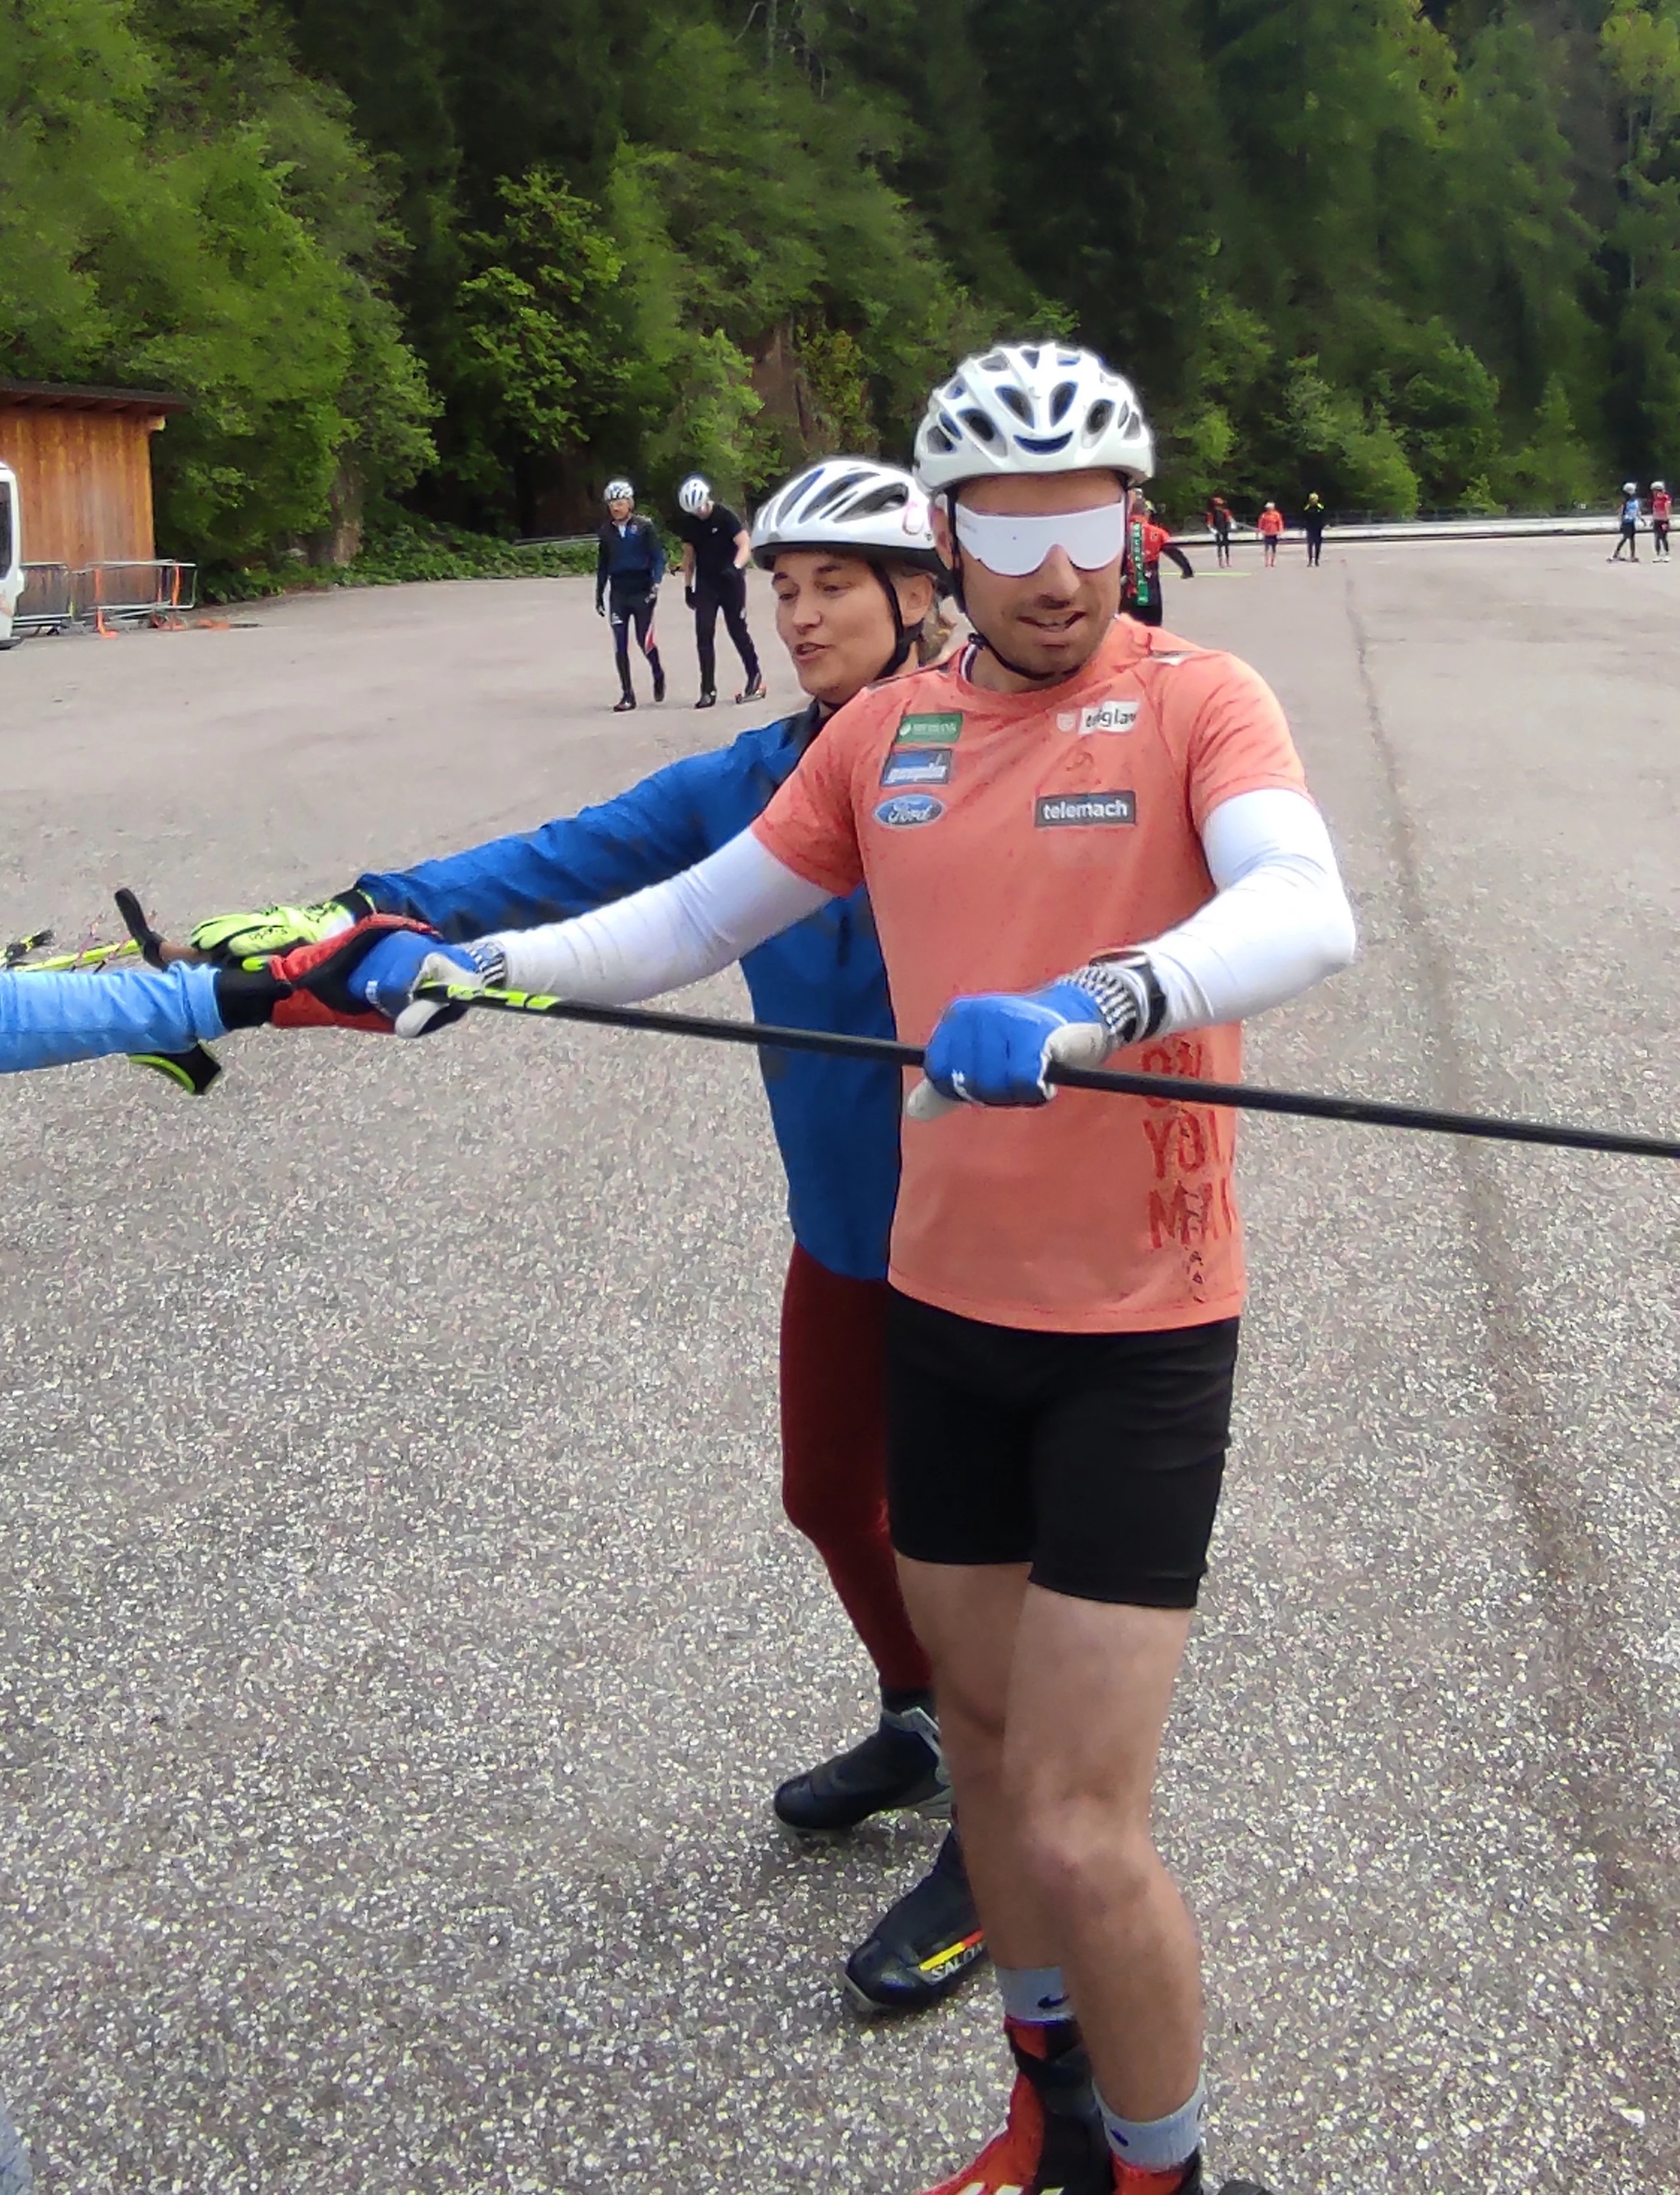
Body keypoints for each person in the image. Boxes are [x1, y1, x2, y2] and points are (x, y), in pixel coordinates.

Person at [368, 341, 1356, 2195]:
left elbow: (1305, 907)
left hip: (1139, 1335)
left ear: (1134, 524)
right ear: (952, 537)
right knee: (983, 1758)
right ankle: (1050, 2130)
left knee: (1077, 1827)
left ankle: (1165, 2174)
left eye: (1092, 520)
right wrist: (457, 972)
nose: (1058, 567)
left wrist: (1096, 1001)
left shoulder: (1203, 697)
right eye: (1012, 522)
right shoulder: (881, 741)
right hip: (945, 1322)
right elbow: (680, 919)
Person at [179, 459, 985, 2018]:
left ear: (918, 594)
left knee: (973, 1548)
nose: (798, 613)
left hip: (982, 1242)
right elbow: (570, 858)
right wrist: (354, 912)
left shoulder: (986, 758)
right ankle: (930, 1724)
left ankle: (1007, 1845)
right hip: (843, 1231)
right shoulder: (755, 774)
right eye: (781, 587)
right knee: (830, 1497)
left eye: (833, 584)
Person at [673, 474, 766, 708]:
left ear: (707, 499)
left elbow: (745, 544)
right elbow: (689, 556)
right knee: (704, 634)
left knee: (737, 630)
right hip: (707, 583)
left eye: (702, 507)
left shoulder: (725, 516)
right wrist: (688, 586)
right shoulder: (691, 523)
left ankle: (754, 674)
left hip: (730, 580)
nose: (701, 512)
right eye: (695, 510)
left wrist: (736, 567)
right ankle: (707, 689)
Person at [594, 480, 667, 710]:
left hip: (642, 589)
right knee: (620, 643)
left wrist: (656, 584)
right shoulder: (606, 532)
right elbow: (603, 564)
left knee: (643, 641)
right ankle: (628, 694)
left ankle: (657, 672)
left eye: (620, 502)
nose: (615, 508)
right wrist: (599, 593)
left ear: (630, 503)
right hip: (619, 592)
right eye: (611, 504)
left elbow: (657, 557)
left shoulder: (644, 527)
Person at [1121, 502, 1193, 628]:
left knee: (1128, 630)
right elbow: (1174, 552)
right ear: (1146, 513)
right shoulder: (1157, 533)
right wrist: (1187, 570)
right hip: (1150, 588)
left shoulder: (1120, 533)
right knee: (1152, 629)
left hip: (1127, 589)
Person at [1610, 481, 1642, 562]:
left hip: (1632, 521)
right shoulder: (1626, 503)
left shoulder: (1634, 501)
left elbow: (1637, 511)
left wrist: (1641, 519)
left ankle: (1632, 555)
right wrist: (1621, 522)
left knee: (1632, 539)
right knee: (1626, 537)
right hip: (1627, 522)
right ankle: (1616, 554)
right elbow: (1621, 513)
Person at [1203, 496, 1233, 570]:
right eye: (1218, 506)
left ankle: (1228, 562)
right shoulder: (1212, 514)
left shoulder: (1226, 512)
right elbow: (1210, 524)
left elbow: (1229, 519)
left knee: (1227, 546)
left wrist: (1231, 525)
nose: (1219, 507)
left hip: (1225, 530)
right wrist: (1214, 531)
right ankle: (1221, 562)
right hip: (1218, 531)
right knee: (1219, 547)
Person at [1302, 493, 1327, 568]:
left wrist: (1324, 525)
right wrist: (1304, 526)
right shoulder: (1307, 508)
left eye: (1315, 499)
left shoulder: (1320, 507)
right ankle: (1310, 561)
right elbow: (1304, 518)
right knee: (1310, 545)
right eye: (1312, 499)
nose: (1313, 501)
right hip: (1310, 528)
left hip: (1318, 528)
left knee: (1318, 545)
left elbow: (1323, 517)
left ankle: (1316, 560)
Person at [1256, 501, 1284, 567]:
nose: (1268, 509)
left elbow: (1280, 523)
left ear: (1273, 508)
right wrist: (1260, 530)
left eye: (1269, 508)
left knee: (1274, 548)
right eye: (1267, 508)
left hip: (1274, 533)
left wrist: (1280, 531)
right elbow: (1261, 524)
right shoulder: (1264, 515)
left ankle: (1273, 562)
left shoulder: (1277, 514)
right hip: (1267, 533)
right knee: (1266, 548)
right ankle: (1266, 562)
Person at [1651, 479, 1671, 558]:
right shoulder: (1656, 499)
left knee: (1663, 537)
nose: (1653, 493)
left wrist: (1667, 520)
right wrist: (1653, 519)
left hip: (1664, 520)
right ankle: (1658, 554)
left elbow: (1668, 509)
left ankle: (1666, 553)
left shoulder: (1666, 498)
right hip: (1657, 520)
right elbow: (1654, 510)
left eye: (1654, 491)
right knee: (1657, 537)